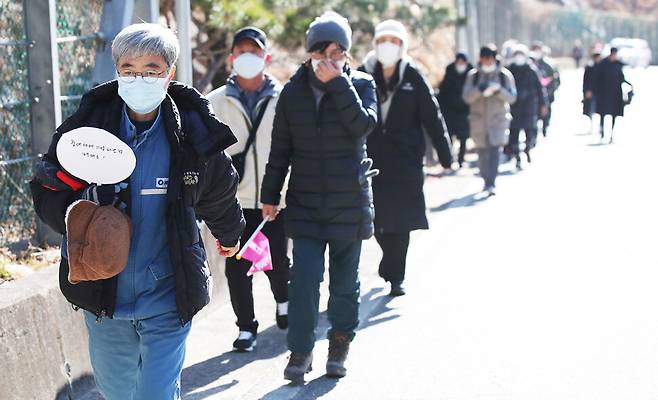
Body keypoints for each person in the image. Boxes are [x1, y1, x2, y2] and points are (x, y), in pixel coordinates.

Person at [29, 23, 245, 400]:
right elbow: (48, 185)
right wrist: (75, 210)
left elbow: (219, 189)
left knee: (156, 394)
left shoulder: (191, 131)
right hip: (104, 294)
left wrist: (229, 233)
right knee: (118, 393)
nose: (138, 78)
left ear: (170, 74)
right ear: (117, 73)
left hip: (168, 292)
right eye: (128, 69)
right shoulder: (89, 128)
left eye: (151, 70)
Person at [260, 11, 377, 383]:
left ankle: (339, 345)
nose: (329, 60)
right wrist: (269, 195)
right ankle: (300, 350)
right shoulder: (292, 92)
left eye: (338, 52)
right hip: (306, 203)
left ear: (347, 54)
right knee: (305, 279)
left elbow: (364, 125)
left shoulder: (361, 84)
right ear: (309, 52)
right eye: (321, 52)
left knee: (345, 284)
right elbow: (280, 150)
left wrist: (340, 84)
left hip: (350, 200)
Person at [207, 27, 290, 352]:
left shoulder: (284, 100)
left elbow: (295, 150)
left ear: (266, 57)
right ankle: (246, 327)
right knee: (238, 268)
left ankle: (284, 301)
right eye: (241, 51)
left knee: (277, 263)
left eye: (254, 52)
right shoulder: (214, 102)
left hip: (275, 200)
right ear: (231, 58)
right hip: (234, 203)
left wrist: (284, 194)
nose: (247, 58)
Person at [359, 19, 452, 296]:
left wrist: (445, 153)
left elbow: (431, 117)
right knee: (376, 219)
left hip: (405, 161)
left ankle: (395, 275)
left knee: (402, 221)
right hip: (371, 161)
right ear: (375, 43)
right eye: (383, 40)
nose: (388, 46)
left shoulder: (413, 76)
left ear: (403, 45)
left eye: (395, 41)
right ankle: (390, 264)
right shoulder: (363, 74)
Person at [462, 44, 517, 196]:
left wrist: (498, 90)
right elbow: (466, 97)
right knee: (482, 153)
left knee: (494, 152)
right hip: (478, 121)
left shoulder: (504, 76)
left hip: (497, 121)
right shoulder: (472, 76)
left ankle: (491, 183)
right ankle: (486, 179)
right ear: (480, 59)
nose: (487, 62)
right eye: (484, 59)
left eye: (490, 59)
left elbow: (512, 97)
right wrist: (479, 90)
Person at [506, 44, 547, 169]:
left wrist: (543, 104)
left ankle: (527, 148)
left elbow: (540, 89)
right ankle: (517, 156)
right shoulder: (509, 70)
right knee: (514, 135)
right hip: (514, 107)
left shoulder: (531, 70)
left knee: (530, 132)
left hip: (529, 107)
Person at [438, 52, 473, 168]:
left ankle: (461, 160)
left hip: (465, 111)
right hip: (450, 111)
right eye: (458, 62)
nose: (460, 64)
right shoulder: (449, 72)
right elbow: (443, 92)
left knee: (463, 138)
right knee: (450, 136)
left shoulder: (472, 75)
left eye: (463, 62)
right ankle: (450, 159)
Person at [591, 47, 628, 143]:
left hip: (615, 93)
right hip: (604, 93)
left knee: (614, 114)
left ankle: (611, 133)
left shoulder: (617, 64)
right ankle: (602, 131)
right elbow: (596, 78)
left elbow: (621, 77)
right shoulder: (603, 64)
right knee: (603, 113)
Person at [529, 42, 560, 137]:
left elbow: (555, 80)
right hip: (534, 96)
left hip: (547, 94)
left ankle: (545, 127)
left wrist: (548, 91)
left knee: (546, 113)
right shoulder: (529, 65)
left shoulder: (548, 65)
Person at [582, 50, 602, 132]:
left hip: (600, 91)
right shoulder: (590, 67)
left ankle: (600, 126)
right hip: (592, 91)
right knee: (591, 109)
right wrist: (586, 91)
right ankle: (592, 126)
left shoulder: (602, 67)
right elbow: (586, 81)